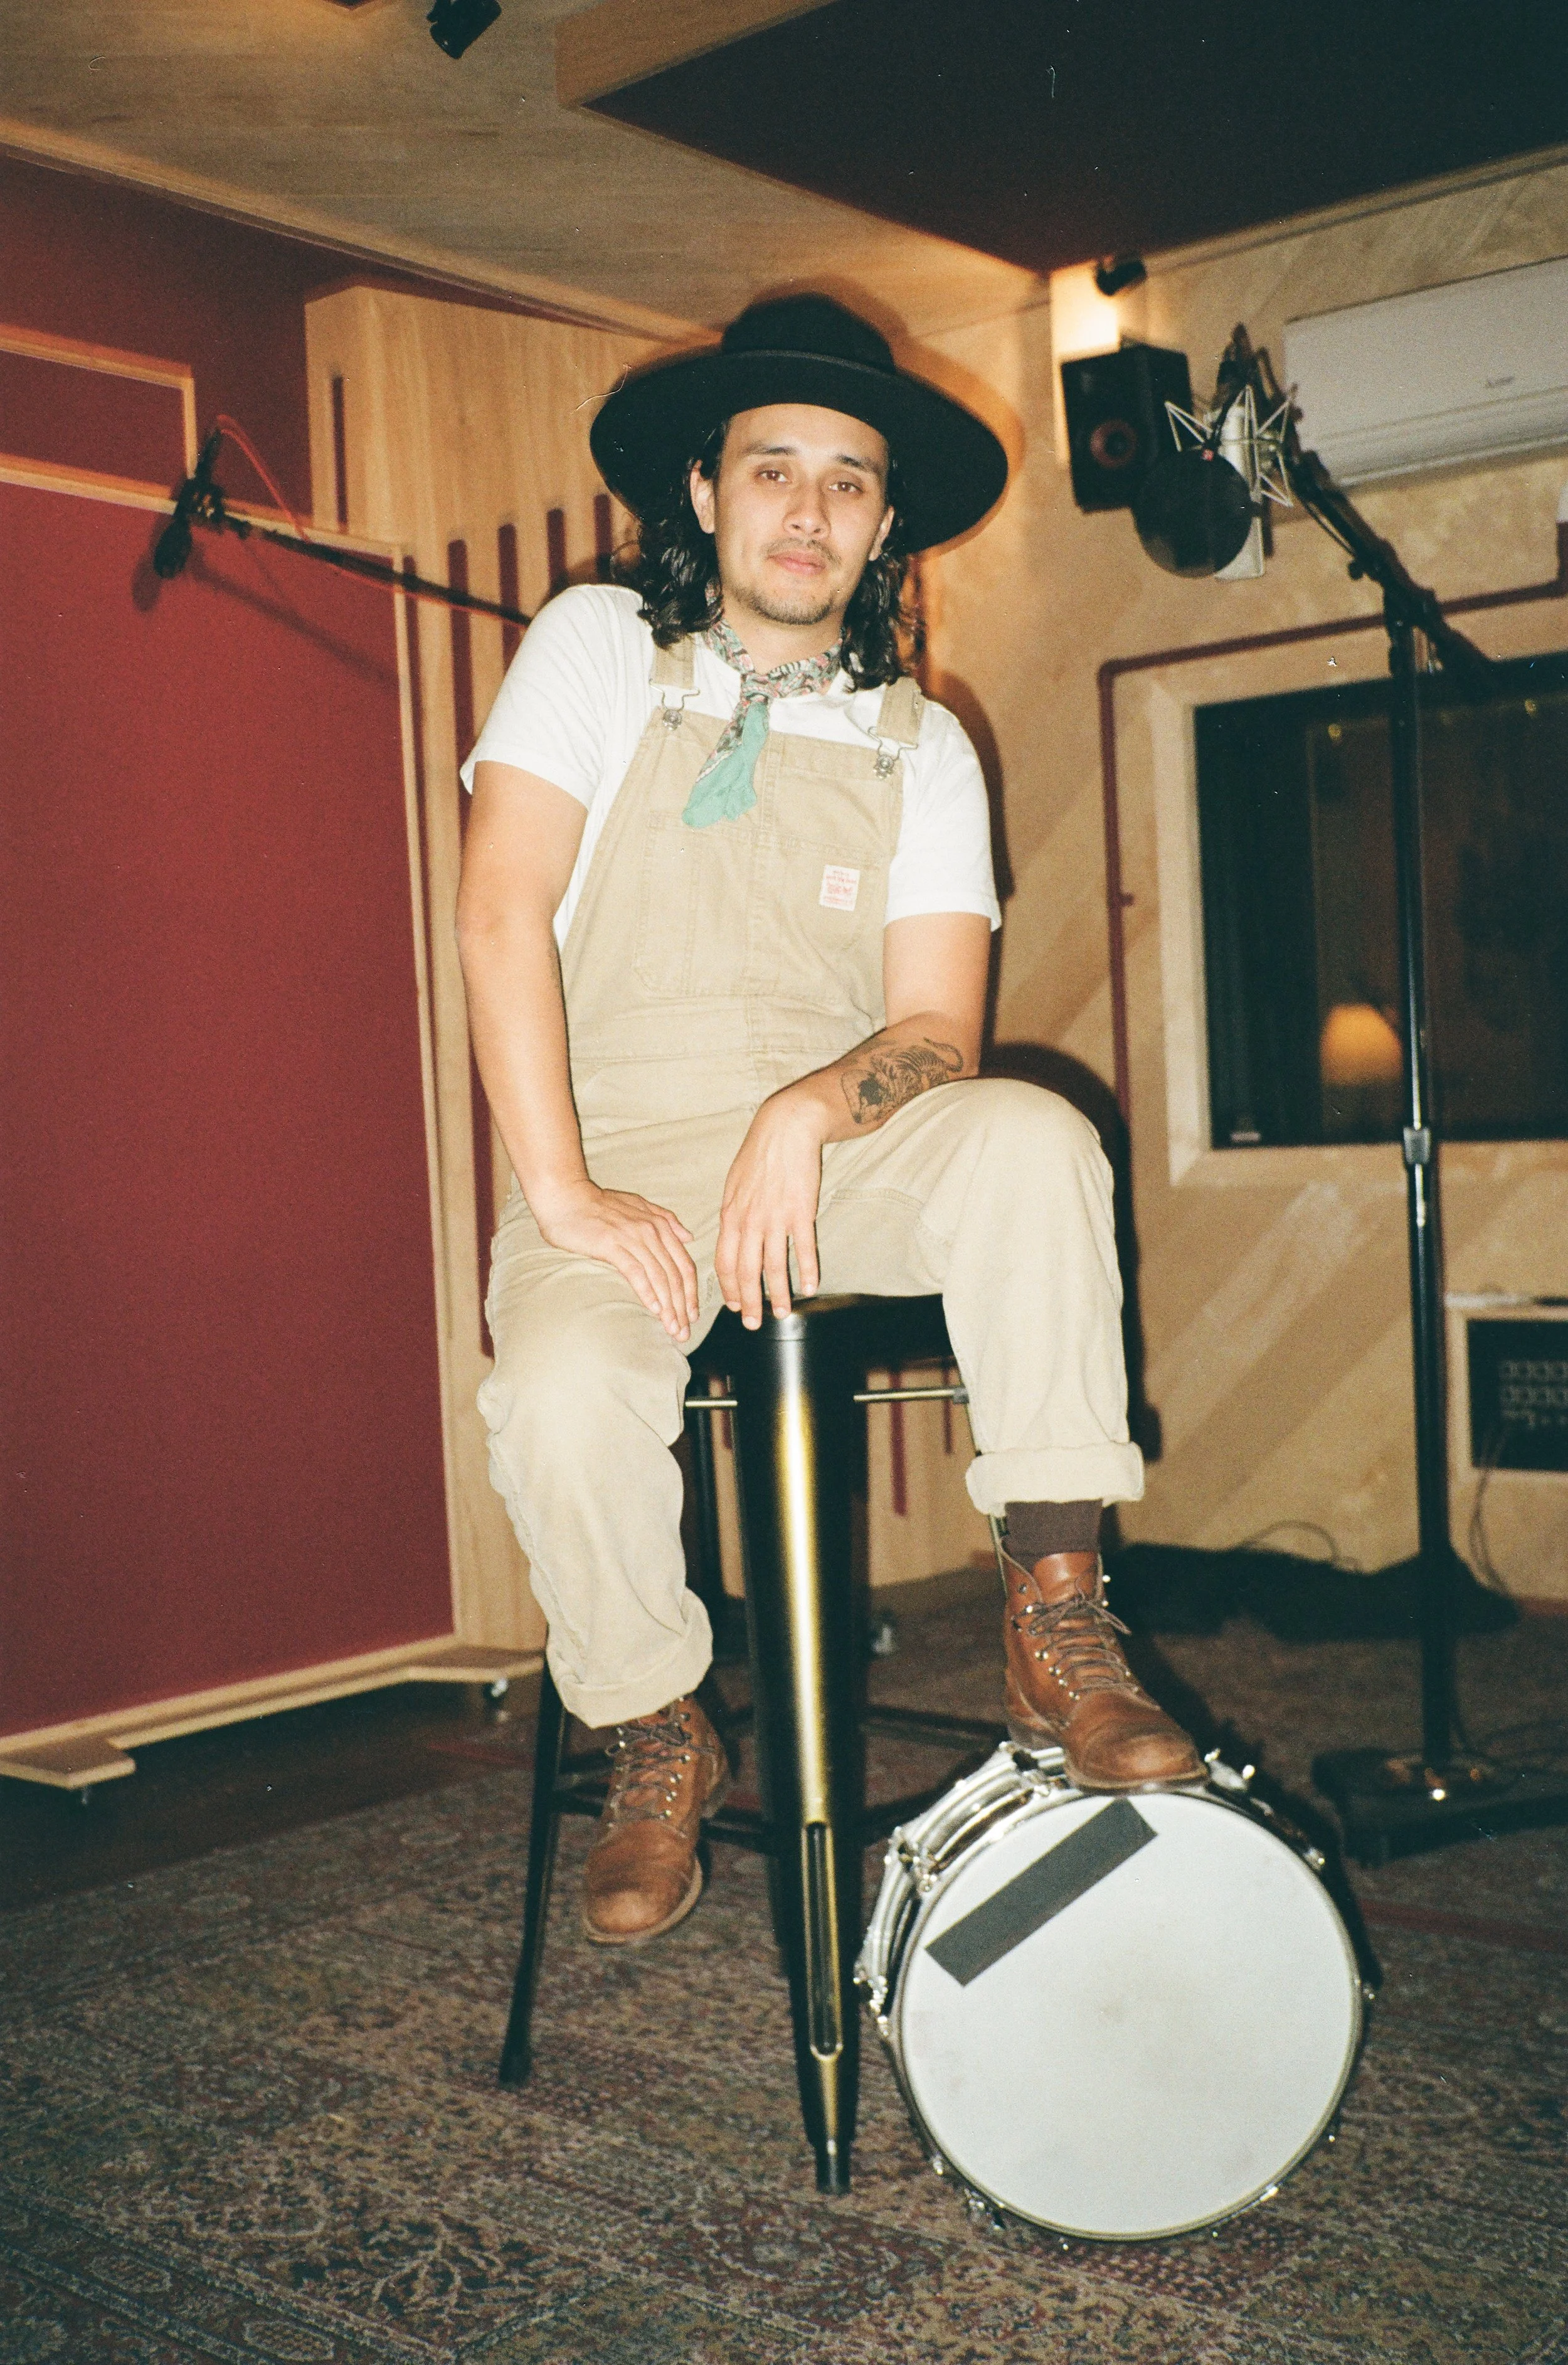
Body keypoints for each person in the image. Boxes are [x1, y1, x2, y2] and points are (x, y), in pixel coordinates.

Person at [457, 294, 1202, 1948]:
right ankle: (656, 1725)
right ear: (705, 497)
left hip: (839, 1148)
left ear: (884, 525)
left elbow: (939, 1029)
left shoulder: (921, 741)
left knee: (1029, 1139)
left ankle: (1055, 1611)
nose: (807, 508)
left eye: (847, 482)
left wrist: (809, 1107)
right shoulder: (593, 645)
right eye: (771, 469)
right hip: (620, 1151)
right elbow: (498, 914)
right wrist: (566, 1196)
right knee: (563, 1392)